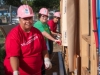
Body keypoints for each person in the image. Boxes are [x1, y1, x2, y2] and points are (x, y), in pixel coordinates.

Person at [3, 5, 52, 75]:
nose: (28, 21)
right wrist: (16, 72)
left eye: (30, 18)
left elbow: (44, 48)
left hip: (36, 71)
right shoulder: (13, 35)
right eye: (25, 18)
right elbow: (14, 56)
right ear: (19, 19)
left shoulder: (37, 32)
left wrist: (46, 59)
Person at [33, 8, 61, 75]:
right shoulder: (38, 24)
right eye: (43, 16)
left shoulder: (46, 24)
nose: (45, 17)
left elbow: (50, 33)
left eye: (46, 16)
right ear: (39, 16)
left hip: (43, 45)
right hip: (37, 46)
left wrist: (57, 39)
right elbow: (45, 33)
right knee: (39, 62)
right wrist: (55, 40)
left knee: (43, 62)